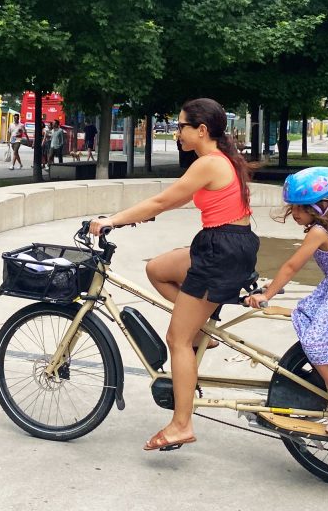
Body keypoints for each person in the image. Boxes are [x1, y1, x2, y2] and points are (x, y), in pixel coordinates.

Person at [89, 98, 259, 451]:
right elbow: (170, 203)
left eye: (181, 126)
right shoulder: (218, 161)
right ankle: (200, 329)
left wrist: (111, 220)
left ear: (201, 130)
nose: (176, 131)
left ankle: (181, 424)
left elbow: (162, 201)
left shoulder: (209, 162)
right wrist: (137, 215)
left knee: (177, 340)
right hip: (225, 244)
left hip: (219, 250)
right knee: (157, 269)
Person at [245, 167, 328, 437]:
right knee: (307, 318)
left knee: (316, 344)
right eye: (292, 208)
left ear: (320, 207)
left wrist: (266, 295)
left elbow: (292, 266)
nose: (295, 214)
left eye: (301, 208)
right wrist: (270, 288)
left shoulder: (318, 232)